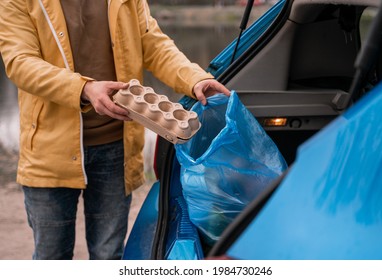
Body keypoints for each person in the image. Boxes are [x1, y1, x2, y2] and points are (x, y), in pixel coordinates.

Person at [0, 0, 230, 260]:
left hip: (115, 147)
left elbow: (154, 44)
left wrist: (194, 78)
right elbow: (20, 63)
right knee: (51, 256)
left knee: (108, 255)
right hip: (49, 151)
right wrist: (84, 89)